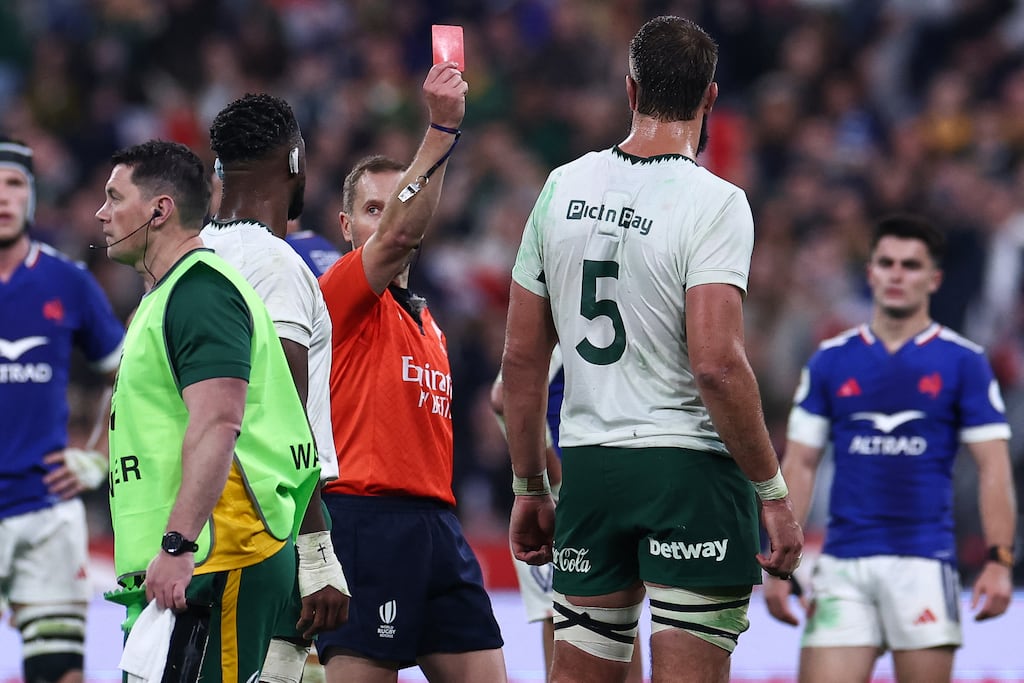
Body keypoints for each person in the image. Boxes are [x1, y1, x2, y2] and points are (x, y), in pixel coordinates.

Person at [501, 16, 803, 683]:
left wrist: (529, 484)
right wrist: (773, 493)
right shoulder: (716, 202)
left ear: (630, 90)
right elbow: (716, 364)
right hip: (688, 473)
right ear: (711, 100)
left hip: (589, 470)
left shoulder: (561, 187)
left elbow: (521, 362)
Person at [96, 140, 321, 682]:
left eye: (113, 197)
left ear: (159, 209)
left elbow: (220, 421)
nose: (101, 213)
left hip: (215, 552)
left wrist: (177, 544)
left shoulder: (201, 293)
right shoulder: (168, 295)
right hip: (190, 558)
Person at [763, 214, 1017, 683]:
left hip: (924, 563)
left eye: (911, 265)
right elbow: (799, 462)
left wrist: (1000, 560)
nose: (897, 274)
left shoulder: (965, 363)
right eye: (887, 262)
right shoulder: (830, 361)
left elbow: (994, 469)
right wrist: (781, 565)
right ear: (871, 273)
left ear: (934, 278)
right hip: (843, 565)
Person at [316, 62, 507, 683]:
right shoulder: (339, 294)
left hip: (438, 526)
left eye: (395, 206)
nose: (388, 220)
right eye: (371, 209)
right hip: (367, 524)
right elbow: (397, 236)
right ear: (347, 228)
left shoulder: (430, 324)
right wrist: (441, 129)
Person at [203, 92, 351, 683]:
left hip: (193, 517)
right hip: (264, 522)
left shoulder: (188, 260)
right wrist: (315, 550)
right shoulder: (278, 265)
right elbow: (280, 417)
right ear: (295, 161)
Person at [0, 136, 124, 683]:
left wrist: (96, 455)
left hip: (45, 510)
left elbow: (123, 374)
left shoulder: (67, 281)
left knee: (58, 673)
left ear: (32, 197)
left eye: (14, 184)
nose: (2, 197)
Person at [491, 346, 644, 683]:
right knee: (588, 617)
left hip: (579, 492)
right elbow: (505, 394)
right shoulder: (567, 324)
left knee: (580, 617)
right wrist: (553, 475)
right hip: (569, 495)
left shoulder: (567, 319)